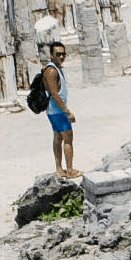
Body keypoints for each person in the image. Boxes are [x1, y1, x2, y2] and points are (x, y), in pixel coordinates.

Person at [43, 42, 78, 179]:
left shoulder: (56, 68)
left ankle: (59, 169)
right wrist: (67, 111)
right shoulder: (51, 71)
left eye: (63, 54)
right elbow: (54, 93)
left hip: (54, 110)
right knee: (68, 138)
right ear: (52, 55)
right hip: (57, 111)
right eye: (58, 54)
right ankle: (69, 170)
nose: (61, 57)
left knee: (58, 138)